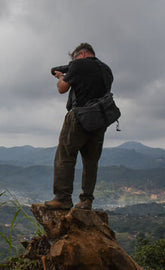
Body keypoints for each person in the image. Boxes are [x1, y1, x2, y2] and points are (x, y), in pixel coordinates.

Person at [45, 43, 113, 210]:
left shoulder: (78, 65)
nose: (72, 62)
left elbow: (62, 88)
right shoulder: (106, 70)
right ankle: (86, 200)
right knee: (91, 162)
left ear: (81, 54)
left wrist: (61, 77)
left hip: (79, 117)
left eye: (74, 58)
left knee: (65, 156)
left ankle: (62, 198)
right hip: (100, 119)